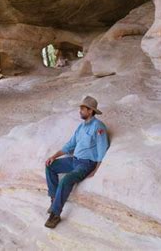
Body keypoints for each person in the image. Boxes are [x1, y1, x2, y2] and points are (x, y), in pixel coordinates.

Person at [44, 95, 109, 228]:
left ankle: (55, 214)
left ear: (90, 111)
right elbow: (70, 145)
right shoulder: (81, 127)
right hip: (74, 160)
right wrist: (54, 156)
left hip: (86, 163)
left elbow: (102, 149)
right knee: (50, 166)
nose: (80, 111)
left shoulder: (99, 127)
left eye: (82, 109)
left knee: (66, 179)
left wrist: (96, 169)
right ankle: (54, 200)